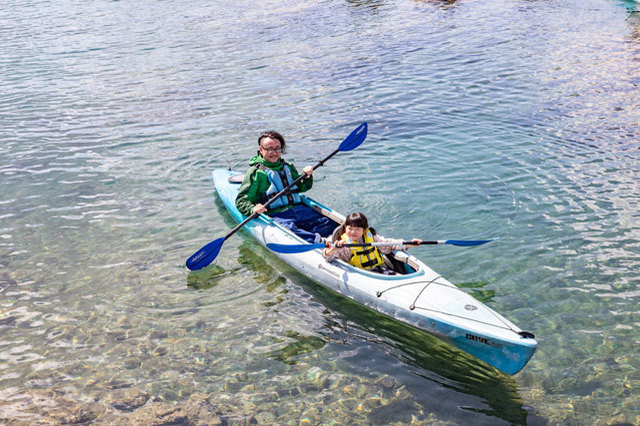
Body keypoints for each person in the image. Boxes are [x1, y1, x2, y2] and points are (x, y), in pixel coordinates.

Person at [235, 130, 336, 243]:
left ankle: (330, 238)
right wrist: (252, 208)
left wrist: (306, 176)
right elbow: (241, 201)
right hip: (277, 215)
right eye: (269, 149)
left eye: (277, 148)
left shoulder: (287, 166)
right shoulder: (256, 173)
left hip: (299, 210)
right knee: (290, 231)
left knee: (330, 222)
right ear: (261, 149)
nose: (274, 152)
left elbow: (302, 187)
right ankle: (320, 242)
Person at [322, 212, 421, 275]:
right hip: (360, 275)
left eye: (357, 229)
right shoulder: (342, 244)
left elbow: (389, 244)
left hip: (380, 269)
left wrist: (409, 244)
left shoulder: (372, 239)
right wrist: (334, 249)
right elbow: (327, 257)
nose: (353, 232)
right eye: (350, 228)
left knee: (398, 277)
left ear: (364, 230)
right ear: (345, 228)